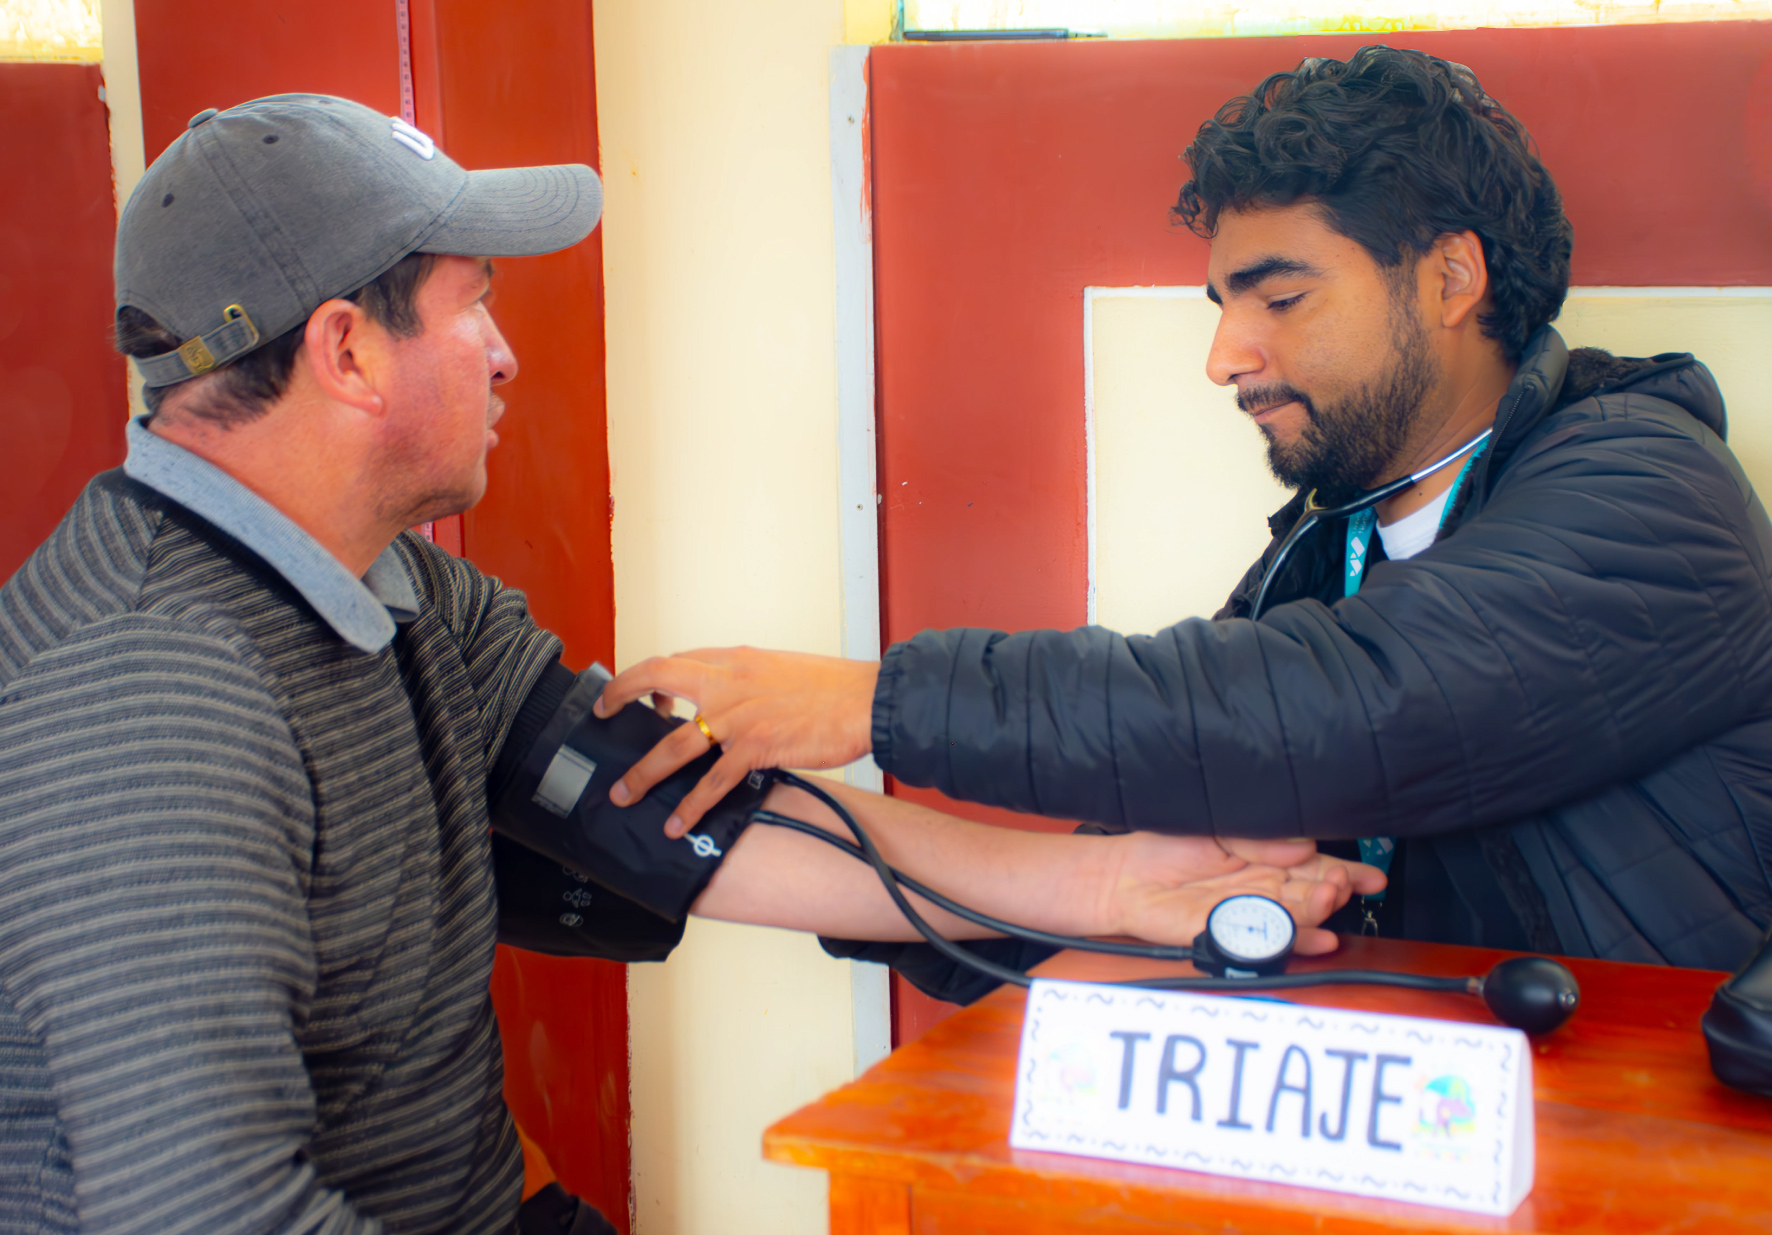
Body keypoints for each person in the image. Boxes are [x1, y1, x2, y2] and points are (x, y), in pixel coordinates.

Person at [0, 95, 1374, 1235]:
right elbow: (200, 1210)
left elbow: (676, 808)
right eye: (473, 304)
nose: (504, 352)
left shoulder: (406, 589)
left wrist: (1112, 881)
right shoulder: (150, 693)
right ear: (349, 350)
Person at [597, 46, 1772, 989]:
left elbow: (1356, 706)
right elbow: (1153, 830)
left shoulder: (1650, 491)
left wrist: (871, 700)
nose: (1224, 355)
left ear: (1450, 278)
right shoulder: (1323, 554)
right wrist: (831, 858)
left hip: (1654, 1150)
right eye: (1220, 305)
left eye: (1280, 296)